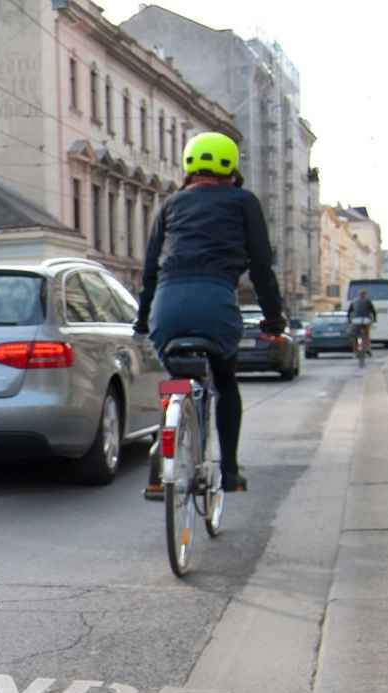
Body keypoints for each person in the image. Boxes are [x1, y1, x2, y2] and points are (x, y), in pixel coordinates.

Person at [137, 131, 285, 494]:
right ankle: (231, 473)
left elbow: (150, 270)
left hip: (167, 308)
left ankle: (162, 462)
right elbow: (262, 268)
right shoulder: (243, 201)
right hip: (215, 304)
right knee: (225, 382)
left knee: (174, 382)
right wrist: (274, 319)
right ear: (231, 168)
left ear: (188, 166)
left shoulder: (169, 205)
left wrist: (142, 320)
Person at [347, 288, 377, 357]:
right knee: (367, 336)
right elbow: (373, 311)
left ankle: (356, 351)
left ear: (359, 294)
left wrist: (349, 320)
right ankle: (368, 349)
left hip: (356, 321)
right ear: (365, 295)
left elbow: (349, 312)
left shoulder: (354, 301)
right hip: (366, 320)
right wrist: (375, 319)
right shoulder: (368, 301)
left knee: (355, 336)